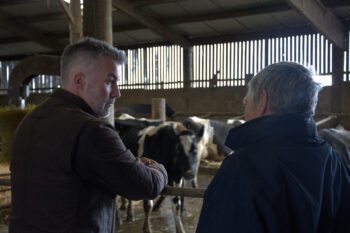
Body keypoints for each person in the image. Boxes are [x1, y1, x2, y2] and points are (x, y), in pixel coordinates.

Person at [9, 37, 168, 233]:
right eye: (110, 82)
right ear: (79, 81)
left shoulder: (29, 122)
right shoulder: (92, 132)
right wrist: (157, 168)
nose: (117, 93)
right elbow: (146, 186)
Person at [196, 62, 350, 233]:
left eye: (245, 103)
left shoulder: (242, 167)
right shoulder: (334, 161)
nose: (245, 112)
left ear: (262, 100)